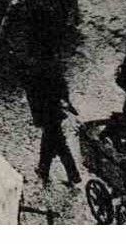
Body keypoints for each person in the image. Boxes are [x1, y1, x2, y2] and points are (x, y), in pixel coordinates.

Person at [20, 49, 80, 185]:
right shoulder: (53, 68)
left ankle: (73, 174)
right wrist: (67, 102)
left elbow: (30, 90)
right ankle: (45, 169)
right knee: (50, 140)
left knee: (58, 143)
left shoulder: (34, 70)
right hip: (53, 110)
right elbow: (62, 87)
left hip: (44, 111)